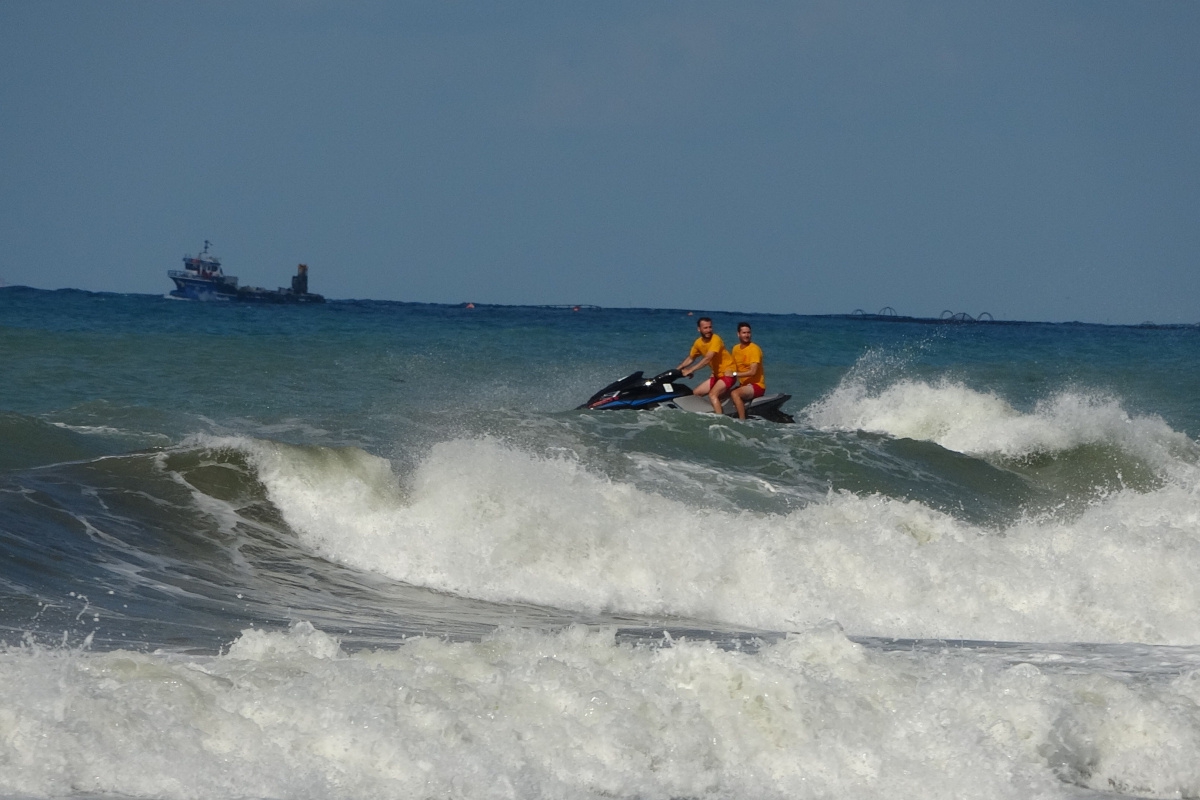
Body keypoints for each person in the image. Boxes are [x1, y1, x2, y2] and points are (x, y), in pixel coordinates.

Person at [677, 317, 736, 414]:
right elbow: (691, 358)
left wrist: (691, 370)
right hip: (717, 376)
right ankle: (708, 412)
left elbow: (708, 358)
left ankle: (720, 420)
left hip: (728, 373)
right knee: (695, 394)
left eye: (710, 327)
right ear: (699, 329)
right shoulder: (698, 342)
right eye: (705, 328)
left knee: (713, 394)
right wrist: (677, 370)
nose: (708, 330)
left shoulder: (716, 339)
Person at [729, 321, 766, 421]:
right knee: (722, 391)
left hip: (756, 386)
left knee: (735, 394)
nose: (747, 335)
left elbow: (752, 372)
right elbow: (732, 366)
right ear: (738, 334)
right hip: (743, 386)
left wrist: (735, 374)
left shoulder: (754, 349)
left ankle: (742, 421)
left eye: (748, 333)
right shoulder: (735, 349)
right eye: (744, 333)